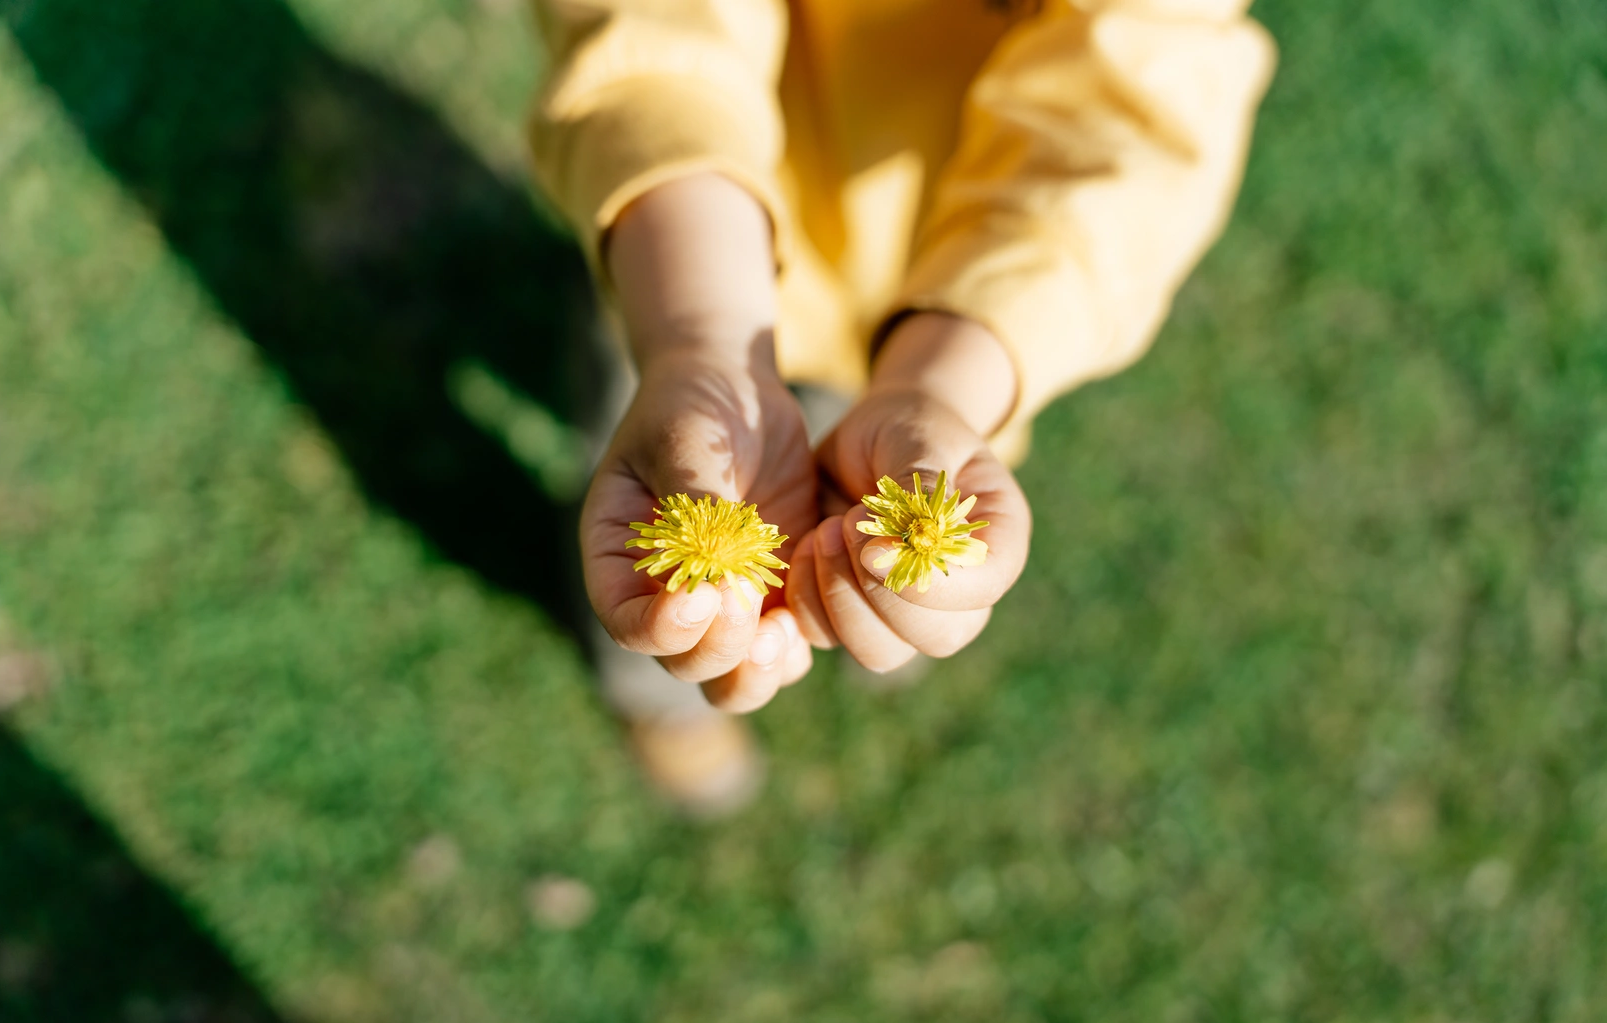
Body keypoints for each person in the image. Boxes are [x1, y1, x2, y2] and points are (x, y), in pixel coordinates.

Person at [527, 0, 1275, 813]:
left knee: (871, 534)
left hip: (952, 302)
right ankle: (661, 697)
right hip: (690, 258)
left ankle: (878, 598)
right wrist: (696, 333)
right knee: (664, 514)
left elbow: (1132, 120)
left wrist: (939, 385)